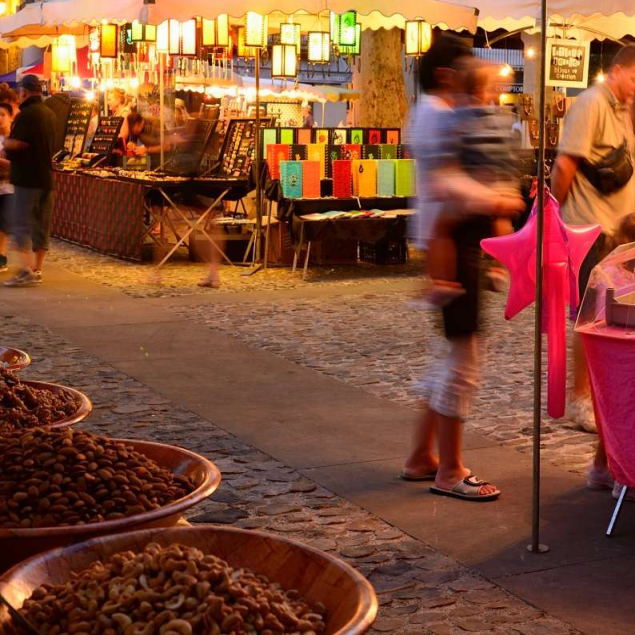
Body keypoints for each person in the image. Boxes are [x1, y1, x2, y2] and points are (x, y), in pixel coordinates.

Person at [401, 35, 524, 501]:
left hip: (460, 242)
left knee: (453, 357)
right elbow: (448, 182)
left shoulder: (443, 114)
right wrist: (497, 198)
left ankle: (421, 457)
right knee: (462, 361)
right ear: (447, 75)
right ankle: (450, 470)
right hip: (453, 244)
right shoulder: (439, 115)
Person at [552, 45, 635, 448]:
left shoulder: (622, 110)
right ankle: (581, 398)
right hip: (592, 231)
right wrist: (556, 222)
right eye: (634, 77)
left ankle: (604, 396)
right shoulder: (591, 104)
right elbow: (565, 166)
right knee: (591, 321)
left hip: (620, 234)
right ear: (617, 70)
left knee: (616, 324)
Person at [425, 59, 518, 306]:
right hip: (500, 186)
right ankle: (498, 268)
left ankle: (443, 281)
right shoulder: (501, 118)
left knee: (441, 230)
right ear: (485, 91)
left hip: (471, 190)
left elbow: (450, 153)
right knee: (501, 221)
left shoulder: (456, 116)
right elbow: (511, 152)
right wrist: (509, 184)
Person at [3, 75, 56, 287]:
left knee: (21, 225)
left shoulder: (27, 115)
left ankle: (25, 271)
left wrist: (7, 142)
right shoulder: (50, 114)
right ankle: (37, 269)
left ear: (24, 91)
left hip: (27, 178)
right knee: (42, 226)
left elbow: (20, 144)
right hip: (46, 177)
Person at [0, 102, 14, 272]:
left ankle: (1, 255)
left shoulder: (13, 139)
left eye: (3, 114)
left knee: (4, 222)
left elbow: (17, 165)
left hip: (10, 186)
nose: (0, 118)